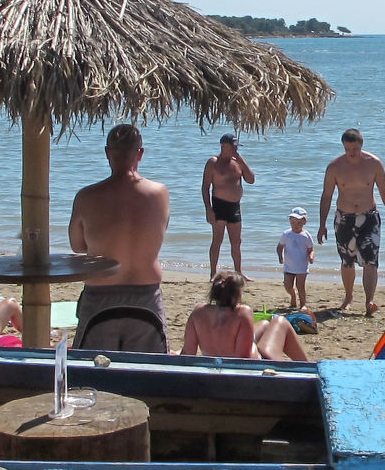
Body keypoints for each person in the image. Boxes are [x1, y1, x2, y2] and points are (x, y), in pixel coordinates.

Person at [69, 123, 173, 349]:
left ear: (108, 152)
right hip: (146, 293)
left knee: (92, 367)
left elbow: (77, 245)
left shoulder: (86, 196)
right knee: (149, 367)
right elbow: (158, 232)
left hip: (100, 294)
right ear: (140, 153)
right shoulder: (159, 193)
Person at [319, 128, 385, 316]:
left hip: (369, 217)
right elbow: (327, 196)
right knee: (347, 261)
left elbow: (384, 190)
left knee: (371, 261)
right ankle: (348, 297)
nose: (351, 153)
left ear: (361, 145)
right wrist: (322, 224)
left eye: (354, 149)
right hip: (344, 218)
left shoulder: (374, 164)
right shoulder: (335, 167)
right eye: (347, 149)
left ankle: (369, 301)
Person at [180, 272, 311, 361]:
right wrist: (253, 346)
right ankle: (308, 367)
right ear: (237, 295)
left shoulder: (198, 312)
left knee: (265, 324)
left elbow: (188, 353)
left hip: (217, 365)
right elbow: (243, 358)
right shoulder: (242, 312)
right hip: (252, 368)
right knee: (280, 321)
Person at [202, 134, 256, 280]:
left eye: (236, 146)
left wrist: (242, 161)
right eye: (233, 146)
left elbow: (251, 180)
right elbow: (205, 187)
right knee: (217, 240)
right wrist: (208, 209)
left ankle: (238, 273)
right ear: (223, 146)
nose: (235, 149)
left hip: (235, 207)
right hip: (219, 205)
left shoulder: (237, 162)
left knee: (236, 242)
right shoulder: (213, 162)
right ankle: (213, 273)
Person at [278, 208, 315, 309]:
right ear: (290, 221)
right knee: (288, 286)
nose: (295, 225)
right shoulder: (287, 234)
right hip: (288, 266)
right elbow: (280, 246)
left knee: (300, 287)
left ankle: (303, 305)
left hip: (301, 267)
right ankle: (293, 296)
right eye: (293, 223)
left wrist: (311, 256)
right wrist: (280, 256)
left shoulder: (306, 236)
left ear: (304, 222)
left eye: (299, 223)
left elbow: (311, 249)